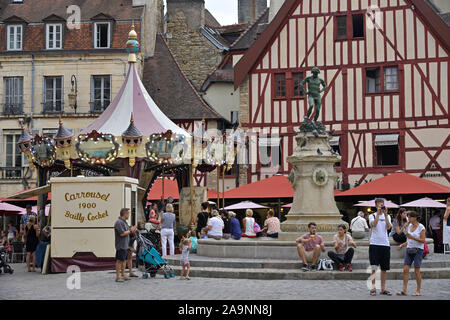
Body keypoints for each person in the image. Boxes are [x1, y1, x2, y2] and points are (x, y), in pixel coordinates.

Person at [397, 211, 426, 297]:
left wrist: (412, 237)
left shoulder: (421, 227)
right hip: (409, 249)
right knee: (405, 270)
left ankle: (418, 290)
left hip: (418, 250)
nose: (408, 219)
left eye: (409, 217)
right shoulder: (409, 226)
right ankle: (404, 290)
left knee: (416, 271)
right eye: (408, 217)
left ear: (415, 218)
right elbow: (402, 234)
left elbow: (423, 240)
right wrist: (403, 244)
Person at [368, 198, 392, 296]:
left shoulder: (388, 216)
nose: (381, 206)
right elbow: (373, 224)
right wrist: (378, 214)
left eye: (382, 205)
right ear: (376, 205)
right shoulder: (371, 215)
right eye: (379, 205)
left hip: (385, 244)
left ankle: (383, 288)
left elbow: (389, 227)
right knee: (374, 267)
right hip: (374, 244)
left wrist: (385, 215)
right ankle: (373, 287)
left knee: (384, 268)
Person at [114, 208, 137, 282]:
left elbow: (127, 232)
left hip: (125, 245)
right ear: (125, 214)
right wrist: (131, 230)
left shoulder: (124, 222)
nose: (129, 215)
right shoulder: (119, 222)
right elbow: (122, 233)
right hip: (121, 244)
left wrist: (132, 231)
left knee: (124, 260)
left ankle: (123, 274)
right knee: (119, 261)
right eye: (128, 214)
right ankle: (118, 277)